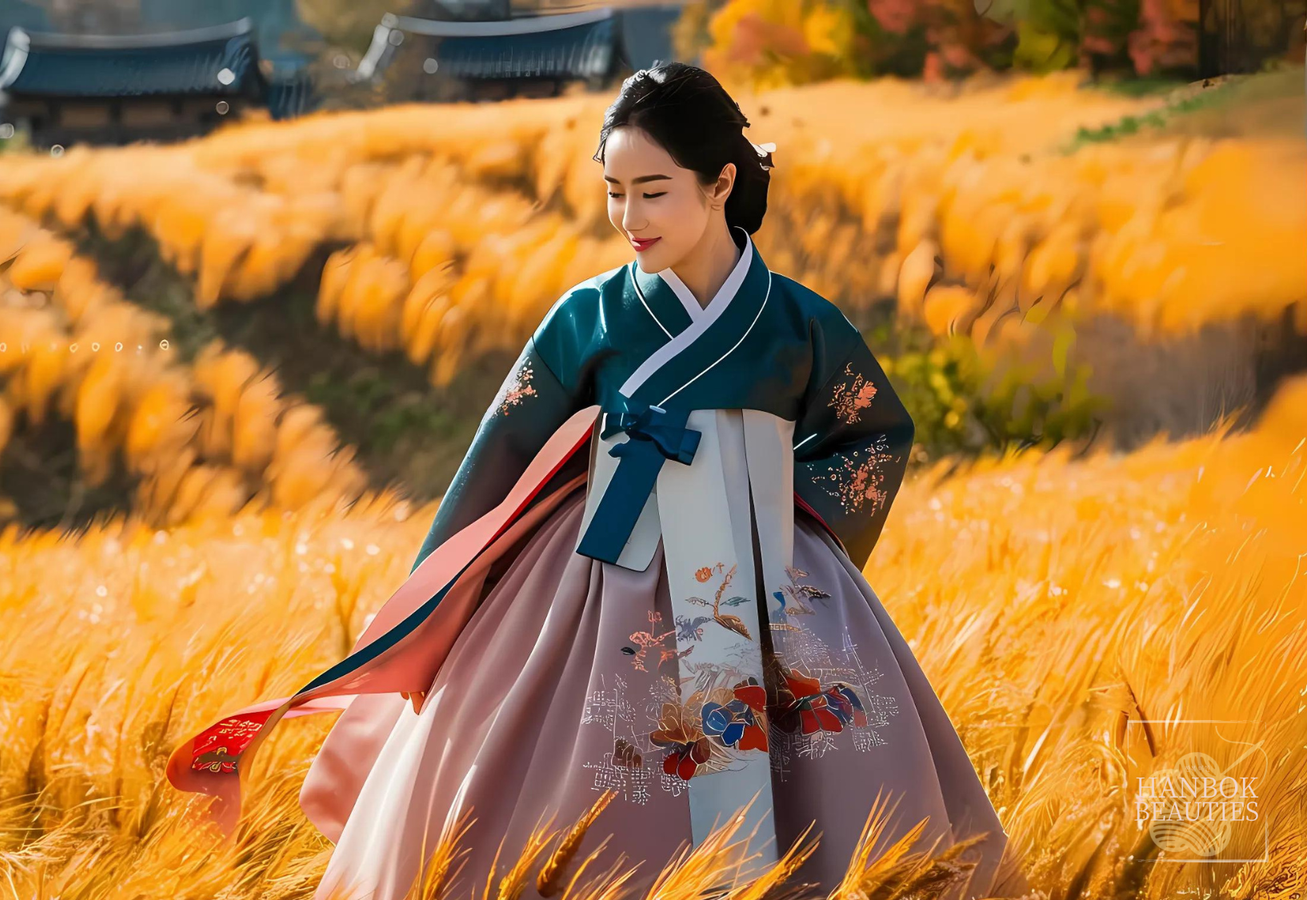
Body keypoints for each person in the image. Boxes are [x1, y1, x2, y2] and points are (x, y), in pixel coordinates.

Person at [165, 63, 1028, 900]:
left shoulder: (798, 321)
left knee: (845, 806)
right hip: (596, 578)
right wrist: (439, 610)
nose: (630, 217)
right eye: (614, 191)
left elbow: (874, 431)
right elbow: (501, 457)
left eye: (653, 190)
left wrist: (786, 510)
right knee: (566, 790)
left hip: (765, 572)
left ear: (722, 180)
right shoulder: (588, 316)